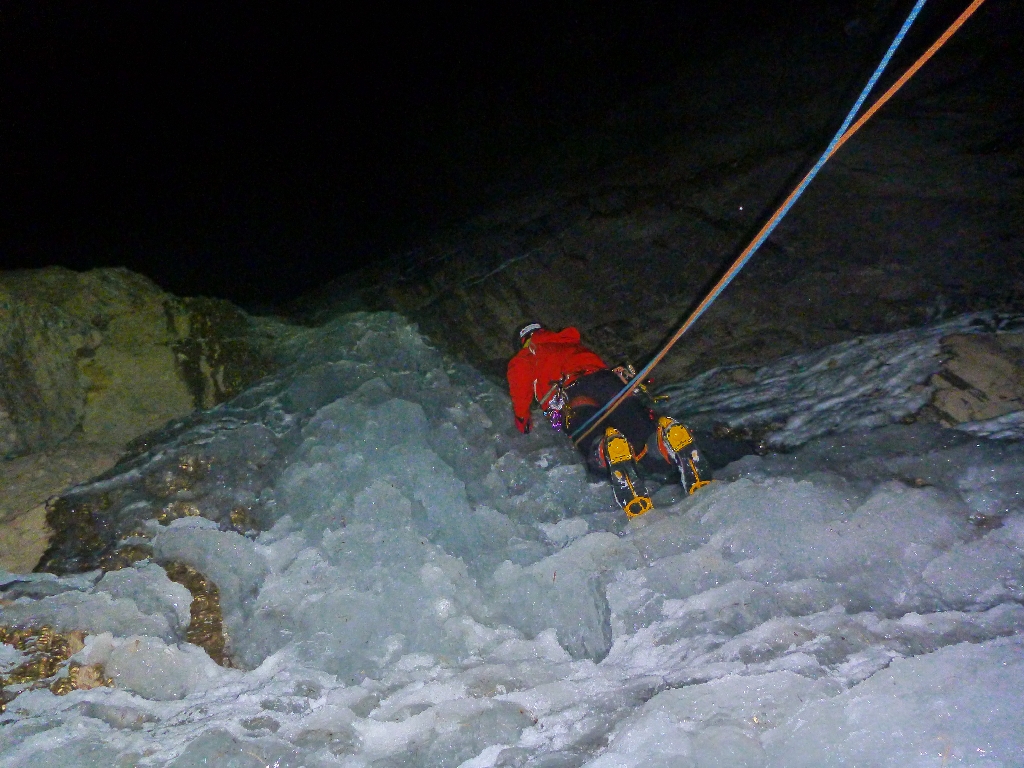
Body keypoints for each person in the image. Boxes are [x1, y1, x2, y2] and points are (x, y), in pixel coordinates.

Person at [507, 322, 712, 517]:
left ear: (523, 341)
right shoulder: (571, 343)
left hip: (573, 394)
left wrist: (523, 423)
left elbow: (520, 397)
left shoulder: (524, 357)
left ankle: (608, 447)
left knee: (593, 444)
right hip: (609, 383)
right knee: (642, 441)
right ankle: (666, 437)